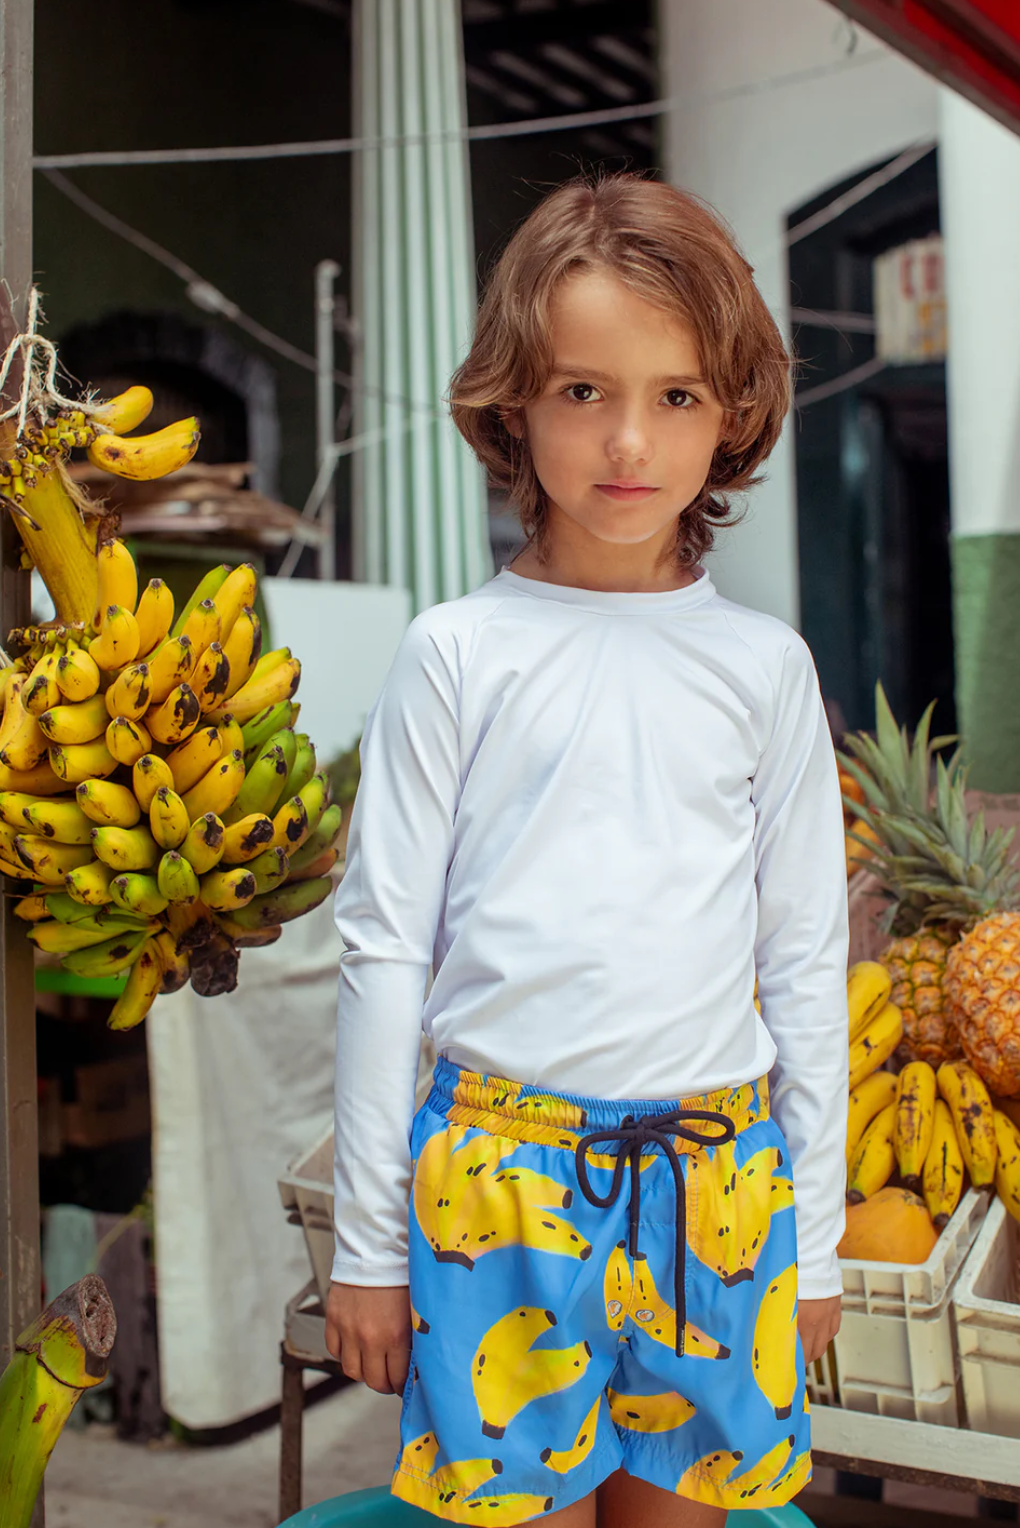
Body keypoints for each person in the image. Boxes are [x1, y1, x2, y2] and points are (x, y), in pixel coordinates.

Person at [325, 171, 849, 1527]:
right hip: (500, 1188)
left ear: (732, 411)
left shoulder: (764, 670)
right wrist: (371, 1248)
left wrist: (824, 1245)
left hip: (719, 1190)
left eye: (676, 394)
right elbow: (384, 956)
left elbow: (803, 962)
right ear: (514, 403)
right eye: (581, 391)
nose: (629, 440)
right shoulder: (455, 656)